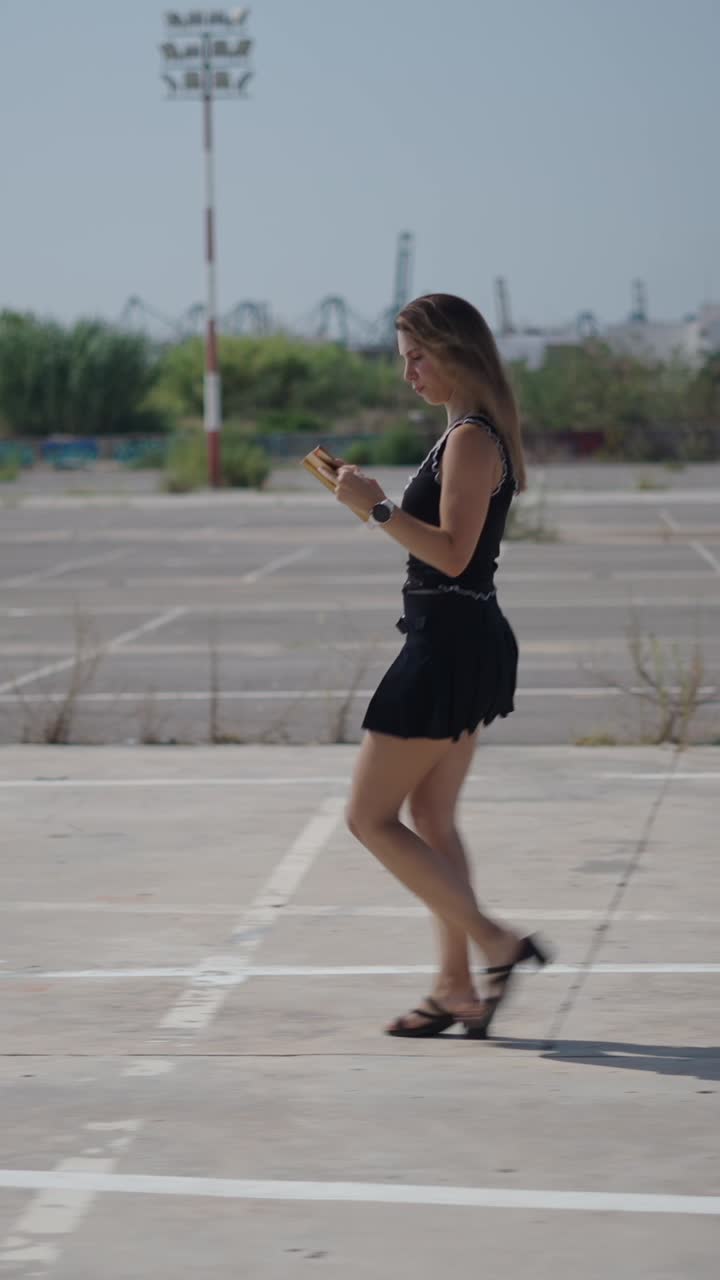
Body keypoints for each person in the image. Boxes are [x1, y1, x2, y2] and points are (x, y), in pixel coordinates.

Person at [333, 293, 550, 1038]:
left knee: (367, 818)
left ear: (456, 351)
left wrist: (377, 510)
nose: (409, 374)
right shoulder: (468, 432)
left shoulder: (470, 439)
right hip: (464, 640)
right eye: (404, 359)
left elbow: (452, 553)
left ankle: (496, 943)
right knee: (429, 816)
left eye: (418, 357)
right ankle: (457, 989)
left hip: (447, 648)